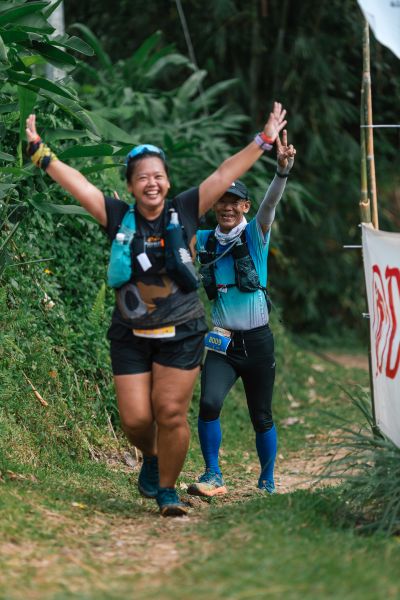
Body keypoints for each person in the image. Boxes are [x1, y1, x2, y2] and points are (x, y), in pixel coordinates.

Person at [25, 103, 287, 516]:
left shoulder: (185, 210)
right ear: (131, 185)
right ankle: (151, 455)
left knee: (172, 412)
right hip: (131, 333)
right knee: (134, 420)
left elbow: (223, 175)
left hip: (181, 332)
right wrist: (42, 153)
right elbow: (82, 187)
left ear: (167, 182)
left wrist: (264, 140)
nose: (152, 182)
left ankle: (168, 491)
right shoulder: (118, 217)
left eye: (158, 175)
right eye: (142, 177)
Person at [188, 130, 295, 498]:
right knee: (209, 403)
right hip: (223, 343)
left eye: (235, 202)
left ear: (245, 207)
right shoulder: (204, 239)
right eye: (222, 201)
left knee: (261, 416)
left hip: (258, 342)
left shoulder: (255, 236)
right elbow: (173, 237)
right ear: (214, 205)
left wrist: (282, 172)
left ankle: (267, 481)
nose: (227, 208)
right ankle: (212, 473)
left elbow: (270, 205)